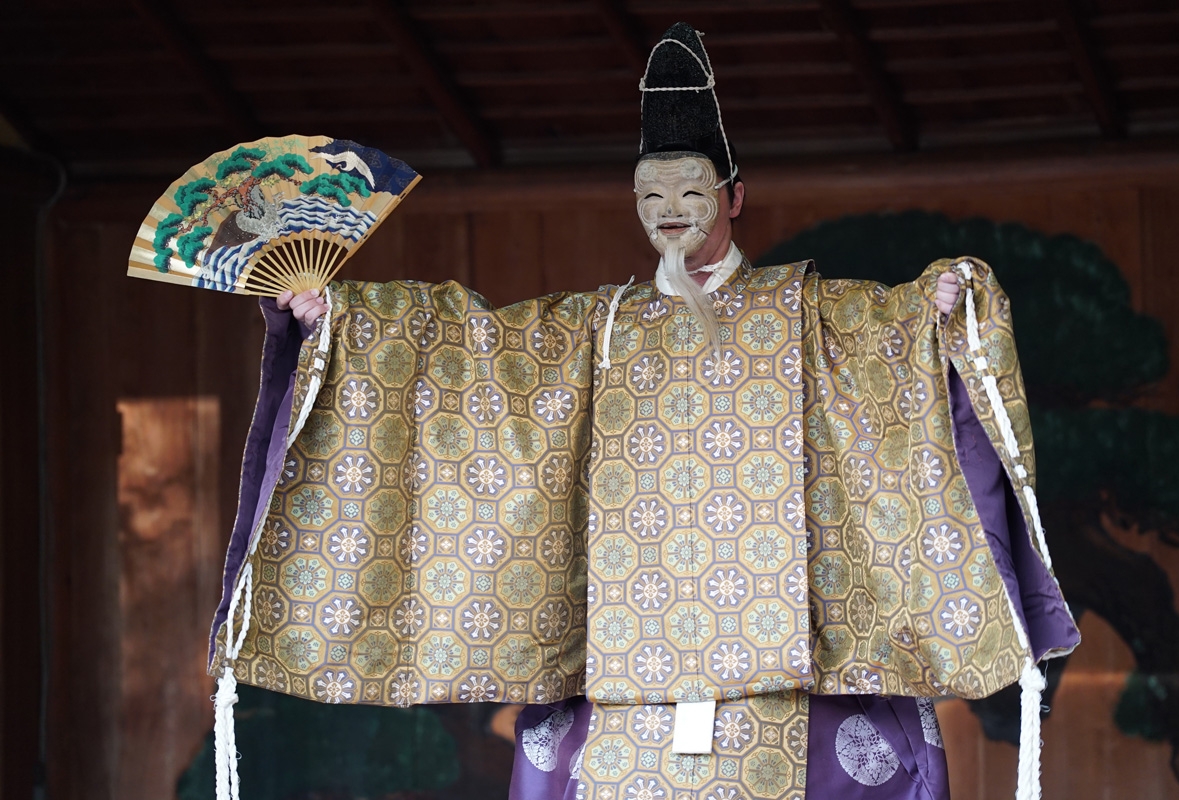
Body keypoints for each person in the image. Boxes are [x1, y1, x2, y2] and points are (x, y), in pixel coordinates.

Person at [214, 22, 1078, 800]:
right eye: (650, 193)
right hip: (619, 678)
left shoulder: (809, 316)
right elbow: (474, 355)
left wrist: (937, 310)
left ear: (735, 196)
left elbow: (888, 334)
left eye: (691, 190)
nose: (668, 211)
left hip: (792, 678)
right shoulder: (597, 328)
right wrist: (350, 321)